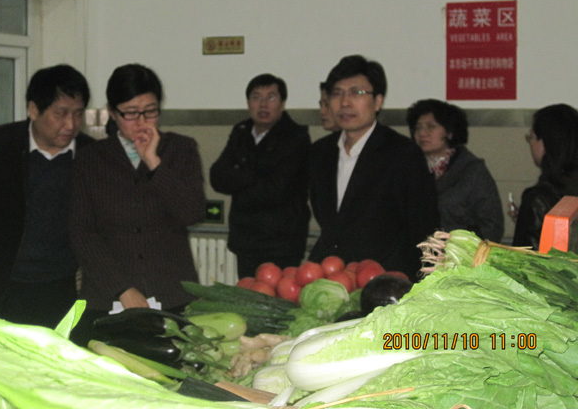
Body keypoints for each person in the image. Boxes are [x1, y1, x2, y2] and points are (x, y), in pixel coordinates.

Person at [0, 64, 93, 328]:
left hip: (61, 291)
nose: (70, 124)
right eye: (60, 113)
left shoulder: (91, 156)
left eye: (78, 114)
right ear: (33, 109)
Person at [68, 63, 206, 344]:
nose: (142, 121)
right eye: (131, 113)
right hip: (106, 297)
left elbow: (192, 212)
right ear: (113, 112)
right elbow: (82, 233)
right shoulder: (90, 159)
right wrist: (122, 289)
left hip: (172, 294)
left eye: (150, 111)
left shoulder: (181, 149)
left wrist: (154, 163)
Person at [308, 55, 439, 281]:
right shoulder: (321, 152)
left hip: (386, 280)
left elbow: (424, 229)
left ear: (378, 101)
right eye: (337, 94)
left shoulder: (403, 154)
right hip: (333, 278)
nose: (345, 102)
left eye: (356, 93)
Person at [210, 73, 311, 278]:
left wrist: (239, 179)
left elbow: (276, 191)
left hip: (281, 242)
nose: (263, 104)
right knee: (246, 294)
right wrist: (256, 174)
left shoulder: (296, 137)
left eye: (271, 97)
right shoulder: (241, 132)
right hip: (245, 240)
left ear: (282, 104)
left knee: (277, 297)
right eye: (256, 97)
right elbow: (218, 177)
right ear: (248, 103)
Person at [406, 99, 504, 242]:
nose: (422, 133)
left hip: (459, 253)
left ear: (450, 133)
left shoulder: (472, 170)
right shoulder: (407, 167)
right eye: (417, 128)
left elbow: (492, 226)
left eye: (431, 126)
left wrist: (455, 243)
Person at [512, 104, 578, 250]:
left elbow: (525, 257)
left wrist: (528, 218)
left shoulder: (537, 199)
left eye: (531, 137)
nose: (530, 144)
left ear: (546, 143)